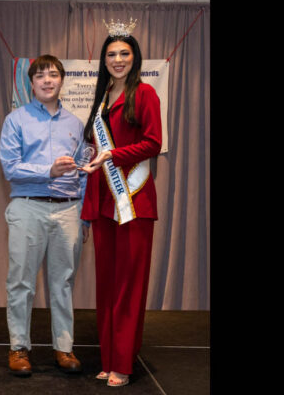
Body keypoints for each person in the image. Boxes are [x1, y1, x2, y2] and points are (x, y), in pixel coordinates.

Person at [79, 20, 162, 387]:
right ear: (103, 59)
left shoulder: (145, 94)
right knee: (107, 286)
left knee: (129, 286)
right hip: (103, 203)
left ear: (134, 57)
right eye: (111, 54)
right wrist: (87, 159)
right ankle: (109, 357)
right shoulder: (101, 99)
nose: (117, 60)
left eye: (123, 53)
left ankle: (123, 364)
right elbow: (99, 149)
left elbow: (152, 143)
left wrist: (111, 156)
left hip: (134, 200)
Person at [0, 54, 91, 377]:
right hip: (27, 206)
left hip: (68, 210)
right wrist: (48, 170)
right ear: (32, 83)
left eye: (53, 74)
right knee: (21, 282)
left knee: (63, 282)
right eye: (40, 76)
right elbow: (10, 168)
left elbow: (84, 171)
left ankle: (63, 348)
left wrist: (83, 214)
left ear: (62, 80)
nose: (47, 80)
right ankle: (18, 348)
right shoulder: (16, 120)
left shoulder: (75, 124)